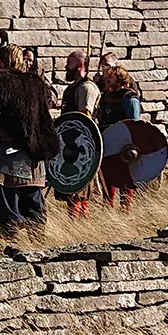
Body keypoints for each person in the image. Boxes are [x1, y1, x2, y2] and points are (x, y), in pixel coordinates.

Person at [0, 44, 58, 238]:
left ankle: (11, 249)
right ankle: (37, 249)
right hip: (35, 161)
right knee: (35, 218)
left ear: (1, 63)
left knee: (7, 219)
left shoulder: (0, 84)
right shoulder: (37, 84)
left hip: (8, 161)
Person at [96, 63, 143, 211]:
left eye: (111, 76)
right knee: (108, 176)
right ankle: (107, 207)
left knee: (124, 177)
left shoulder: (129, 98)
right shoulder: (106, 96)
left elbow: (134, 123)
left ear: (120, 78)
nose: (107, 79)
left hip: (123, 144)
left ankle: (125, 209)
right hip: (107, 140)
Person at [59, 50, 100, 218]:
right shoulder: (74, 88)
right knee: (71, 188)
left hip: (80, 146)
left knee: (78, 189)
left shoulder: (86, 88)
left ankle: (78, 222)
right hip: (69, 142)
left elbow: (85, 119)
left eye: (69, 63)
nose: (66, 66)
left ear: (80, 65)